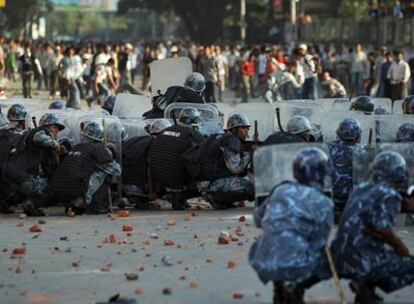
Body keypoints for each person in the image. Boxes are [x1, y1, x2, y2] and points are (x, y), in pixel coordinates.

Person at [249, 147, 334, 304]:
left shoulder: (281, 189)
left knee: (279, 245)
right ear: (322, 172)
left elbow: (258, 219)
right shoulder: (324, 203)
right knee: (334, 256)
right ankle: (295, 285)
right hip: (296, 263)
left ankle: (282, 285)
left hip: (264, 258)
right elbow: (319, 242)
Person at [332, 151, 414, 303]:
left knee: (382, 249)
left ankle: (365, 289)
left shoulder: (361, 188)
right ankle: (366, 284)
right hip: (361, 259)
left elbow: (366, 217)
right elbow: (381, 228)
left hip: (340, 257)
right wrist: (400, 246)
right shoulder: (390, 194)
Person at [183, 113, 254, 209]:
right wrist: (250, 154)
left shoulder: (217, 137)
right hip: (214, 185)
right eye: (243, 128)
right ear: (234, 129)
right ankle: (216, 198)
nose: (246, 131)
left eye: (247, 128)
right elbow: (235, 169)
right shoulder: (232, 140)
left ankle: (220, 201)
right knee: (252, 189)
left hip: (202, 183)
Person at [52, 121, 121, 215]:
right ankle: (96, 205)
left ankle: (74, 206)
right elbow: (117, 170)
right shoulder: (96, 149)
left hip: (58, 191)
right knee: (107, 171)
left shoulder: (75, 147)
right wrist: (108, 155)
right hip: (75, 190)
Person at [5, 113, 66, 216]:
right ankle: (28, 206)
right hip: (24, 177)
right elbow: (39, 138)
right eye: (55, 127)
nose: (57, 131)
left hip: (15, 176)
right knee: (55, 190)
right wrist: (57, 145)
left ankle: (10, 203)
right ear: (47, 126)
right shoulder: (39, 132)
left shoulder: (27, 134)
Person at [148, 107, 205, 210]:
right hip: (176, 179)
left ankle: (171, 194)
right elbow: (202, 157)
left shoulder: (166, 130)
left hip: (158, 179)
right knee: (206, 179)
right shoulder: (193, 135)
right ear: (196, 122)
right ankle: (181, 196)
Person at [122, 119, 172, 210]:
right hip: (138, 182)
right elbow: (151, 168)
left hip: (123, 180)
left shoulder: (136, 140)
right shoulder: (157, 144)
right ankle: (142, 196)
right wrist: (151, 192)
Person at [329, 118, 364, 223]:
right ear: (358, 135)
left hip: (332, 197)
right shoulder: (362, 151)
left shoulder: (330, 147)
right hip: (352, 200)